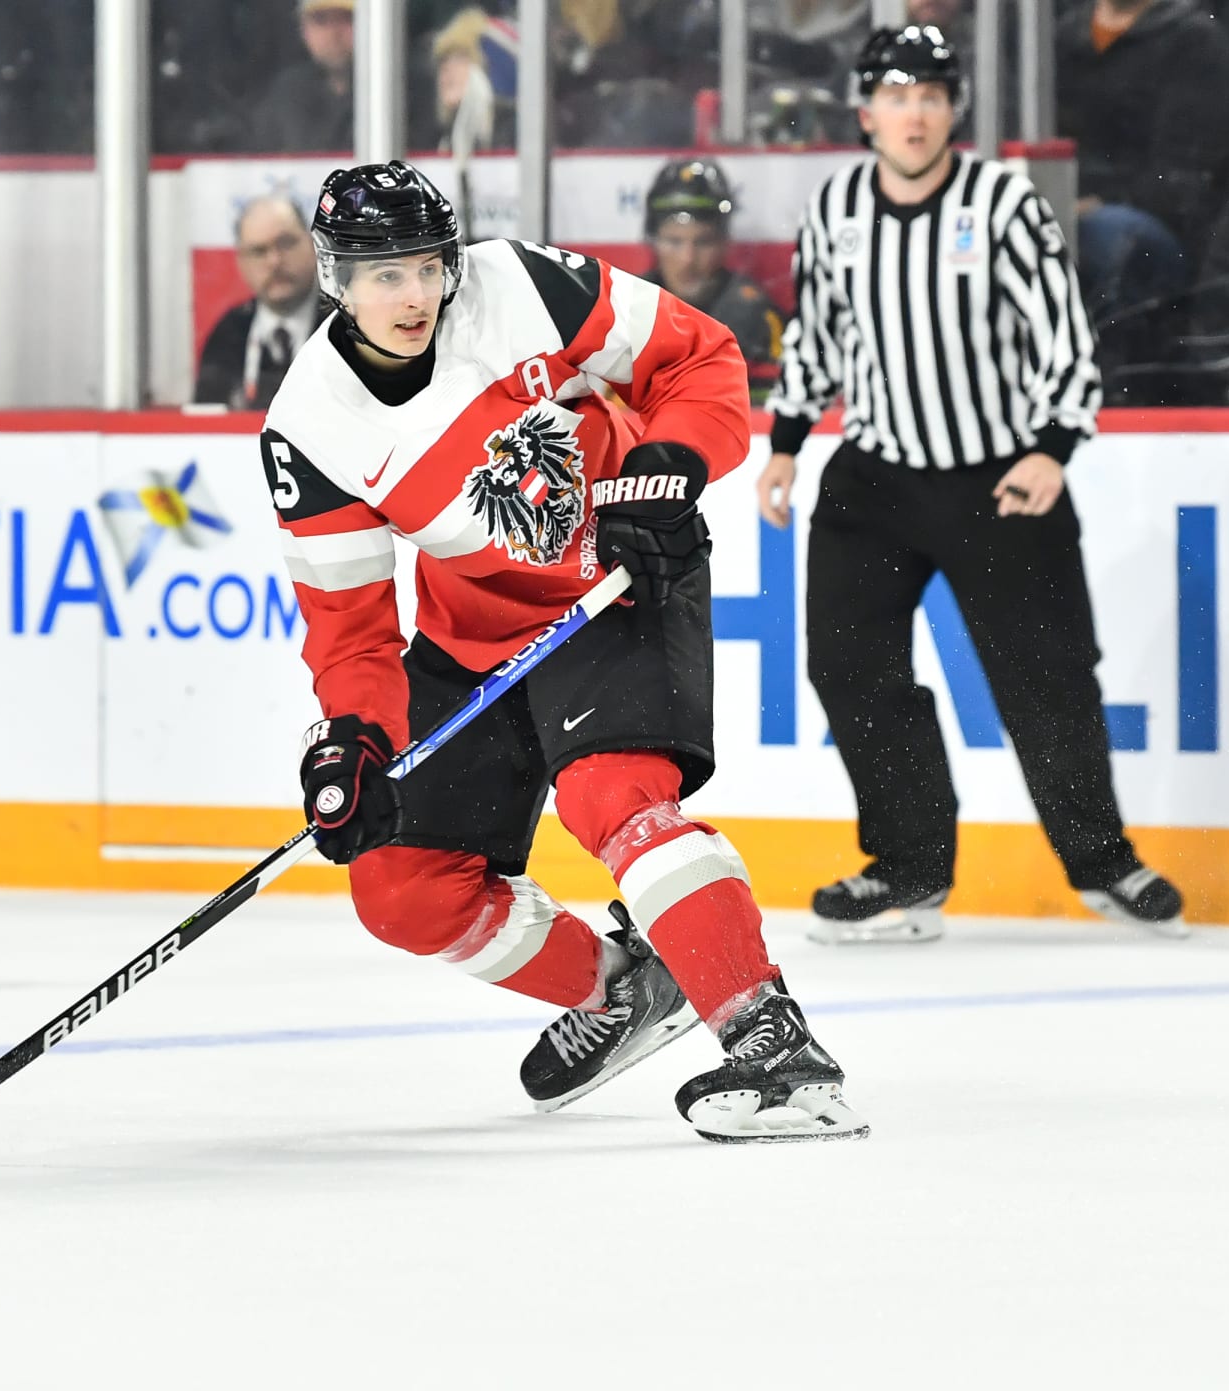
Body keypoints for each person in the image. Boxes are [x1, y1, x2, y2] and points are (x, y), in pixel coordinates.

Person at [260, 159, 868, 1143]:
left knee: (613, 798)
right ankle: (627, 985)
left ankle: (772, 1042)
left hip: (621, 572)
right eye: (382, 274)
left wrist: (669, 465)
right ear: (335, 279)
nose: (412, 294)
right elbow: (353, 628)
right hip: (473, 634)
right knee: (399, 882)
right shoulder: (309, 426)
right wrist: (353, 739)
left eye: (425, 266)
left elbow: (701, 357)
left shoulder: (521, 285)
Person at [759, 25, 1186, 944]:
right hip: (873, 480)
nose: (914, 114)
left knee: (1049, 677)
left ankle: (1103, 860)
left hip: (1000, 478)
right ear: (866, 113)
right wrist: (787, 441)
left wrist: (1052, 446)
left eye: (931, 95)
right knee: (849, 667)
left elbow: (1063, 335)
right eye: (896, 96)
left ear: (953, 108)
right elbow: (819, 337)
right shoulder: (834, 207)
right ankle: (910, 869)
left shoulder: (1002, 202)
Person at [1056, 1, 1229, 318]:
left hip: (1150, 222)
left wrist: (1098, 201)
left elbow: (1184, 176)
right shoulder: (1061, 36)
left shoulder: (1196, 41)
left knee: (1106, 236)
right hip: (1064, 203)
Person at [641, 158, 784, 384]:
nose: (688, 259)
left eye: (703, 242)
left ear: (724, 243)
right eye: (674, 241)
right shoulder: (626, 308)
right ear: (654, 242)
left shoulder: (756, 316)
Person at [194, 195, 321, 411]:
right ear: (241, 263)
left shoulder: (346, 326)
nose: (274, 261)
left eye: (286, 243)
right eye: (258, 251)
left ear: (313, 244)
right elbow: (206, 426)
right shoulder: (229, 334)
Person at [250, 0, 356, 153]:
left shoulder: (395, 95)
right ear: (303, 30)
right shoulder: (286, 94)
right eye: (321, 20)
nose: (334, 33)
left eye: (347, 19)